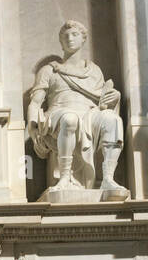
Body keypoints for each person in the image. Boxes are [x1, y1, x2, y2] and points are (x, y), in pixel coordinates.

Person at [28, 20, 129, 201]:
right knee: (70, 119)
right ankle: (65, 177)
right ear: (60, 41)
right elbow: (35, 103)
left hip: (89, 113)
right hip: (59, 112)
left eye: (74, 35)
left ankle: (108, 178)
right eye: (65, 36)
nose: (69, 38)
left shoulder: (94, 71)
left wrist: (114, 98)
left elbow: (102, 103)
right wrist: (33, 127)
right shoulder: (49, 70)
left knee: (113, 120)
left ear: (83, 40)